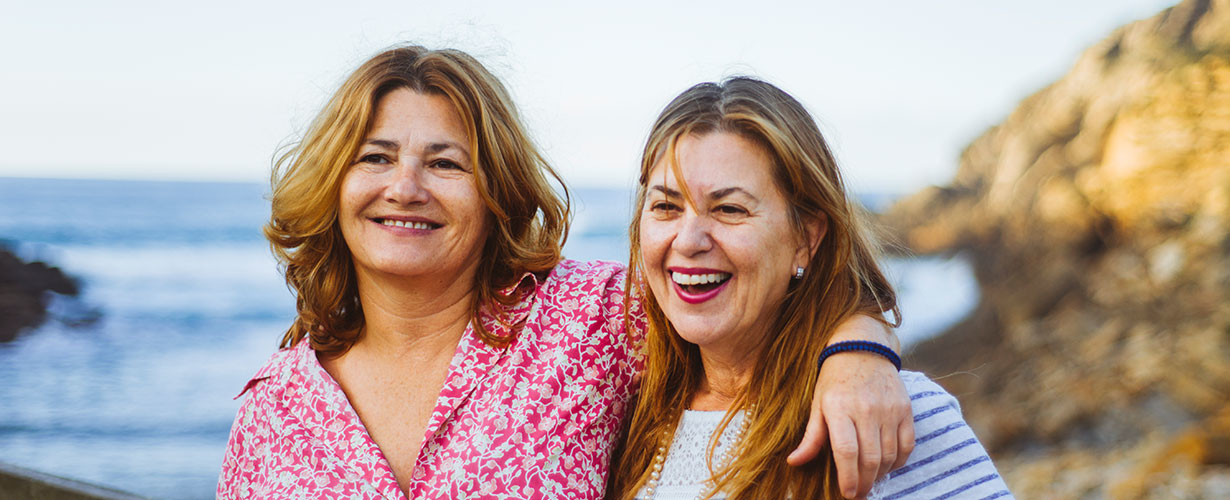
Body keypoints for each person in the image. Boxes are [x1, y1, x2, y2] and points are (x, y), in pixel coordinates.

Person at [217, 46, 911, 499]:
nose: (405, 187)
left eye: (446, 163)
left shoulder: (587, 320)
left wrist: (858, 354)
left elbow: (754, 307)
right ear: (333, 184)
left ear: (496, 192)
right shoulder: (273, 410)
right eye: (375, 157)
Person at [609, 77, 1013, 499]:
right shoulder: (618, 413)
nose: (689, 241)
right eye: (666, 206)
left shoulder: (882, 416)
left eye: (729, 208)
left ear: (806, 238)